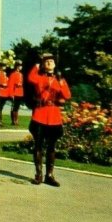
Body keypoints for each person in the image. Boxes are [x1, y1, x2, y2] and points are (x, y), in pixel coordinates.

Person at [27, 52, 71, 187]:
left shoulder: (59, 79)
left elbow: (67, 95)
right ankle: (38, 174)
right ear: (43, 64)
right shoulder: (38, 77)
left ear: (55, 64)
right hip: (40, 114)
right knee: (38, 145)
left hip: (54, 116)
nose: (49, 63)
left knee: (51, 147)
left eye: (51, 61)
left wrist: (61, 80)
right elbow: (30, 78)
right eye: (46, 61)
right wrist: (37, 62)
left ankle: (50, 175)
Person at [8, 60, 24, 126]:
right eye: (20, 66)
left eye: (21, 66)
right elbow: (11, 84)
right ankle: (13, 121)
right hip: (15, 92)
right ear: (17, 66)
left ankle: (16, 120)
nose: (21, 67)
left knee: (17, 107)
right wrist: (11, 94)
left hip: (20, 92)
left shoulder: (21, 74)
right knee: (14, 107)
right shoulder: (13, 74)